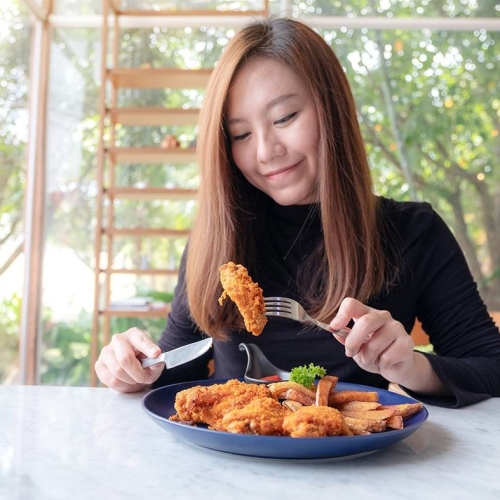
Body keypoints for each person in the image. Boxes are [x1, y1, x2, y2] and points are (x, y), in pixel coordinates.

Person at [95, 17, 500, 407]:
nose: (266, 151)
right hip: (227, 461)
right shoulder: (219, 236)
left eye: (284, 117)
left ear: (332, 109)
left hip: (353, 465)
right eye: (241, 134)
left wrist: (411, 367)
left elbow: (490, 366)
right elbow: (178, 365)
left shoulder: (413, 232)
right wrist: (132, 367)